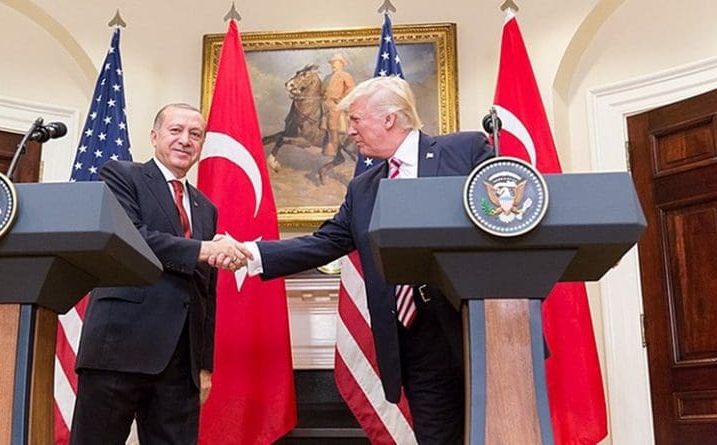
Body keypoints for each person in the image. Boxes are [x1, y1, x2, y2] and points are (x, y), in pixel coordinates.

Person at [218, 76, 494, 443]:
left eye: (356, 120)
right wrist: (249, 252)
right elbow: (325, 242)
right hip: (414, 339)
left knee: (500, 431)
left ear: (389, 119)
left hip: (476, 324)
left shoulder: (464, 149)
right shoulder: (364, 188)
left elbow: (501, 213)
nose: (349, 132)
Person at [70, 103, 251, 445]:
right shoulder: (121, 175)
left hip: (180, 364)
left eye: (195, 134)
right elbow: (133, 236)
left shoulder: (205, 208)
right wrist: (206, 249)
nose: (185, 140)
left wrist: (203, 365)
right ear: (154, 137)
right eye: (175, 131)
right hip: (119, 348)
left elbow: (205, 291)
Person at [321, 53, 355, 157]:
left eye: (336, 63)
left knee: (332, 115)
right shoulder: (327, 77)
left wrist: (340, 99)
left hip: (338, 103)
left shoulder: (345, 76)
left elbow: (351, 90)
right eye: (332, 63)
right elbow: (322, 90)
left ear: (341, 64)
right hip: (325, 101)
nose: (333, 65)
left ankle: (333, 145)